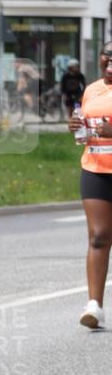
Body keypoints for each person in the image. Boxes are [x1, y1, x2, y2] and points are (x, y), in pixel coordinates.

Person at [68, 40, 112, 329]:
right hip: (95, 167)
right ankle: (94, 306)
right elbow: (88, 130)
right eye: (105, 61)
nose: (109, 67)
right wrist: (77, 127)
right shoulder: (92, 89)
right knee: (98, 236)